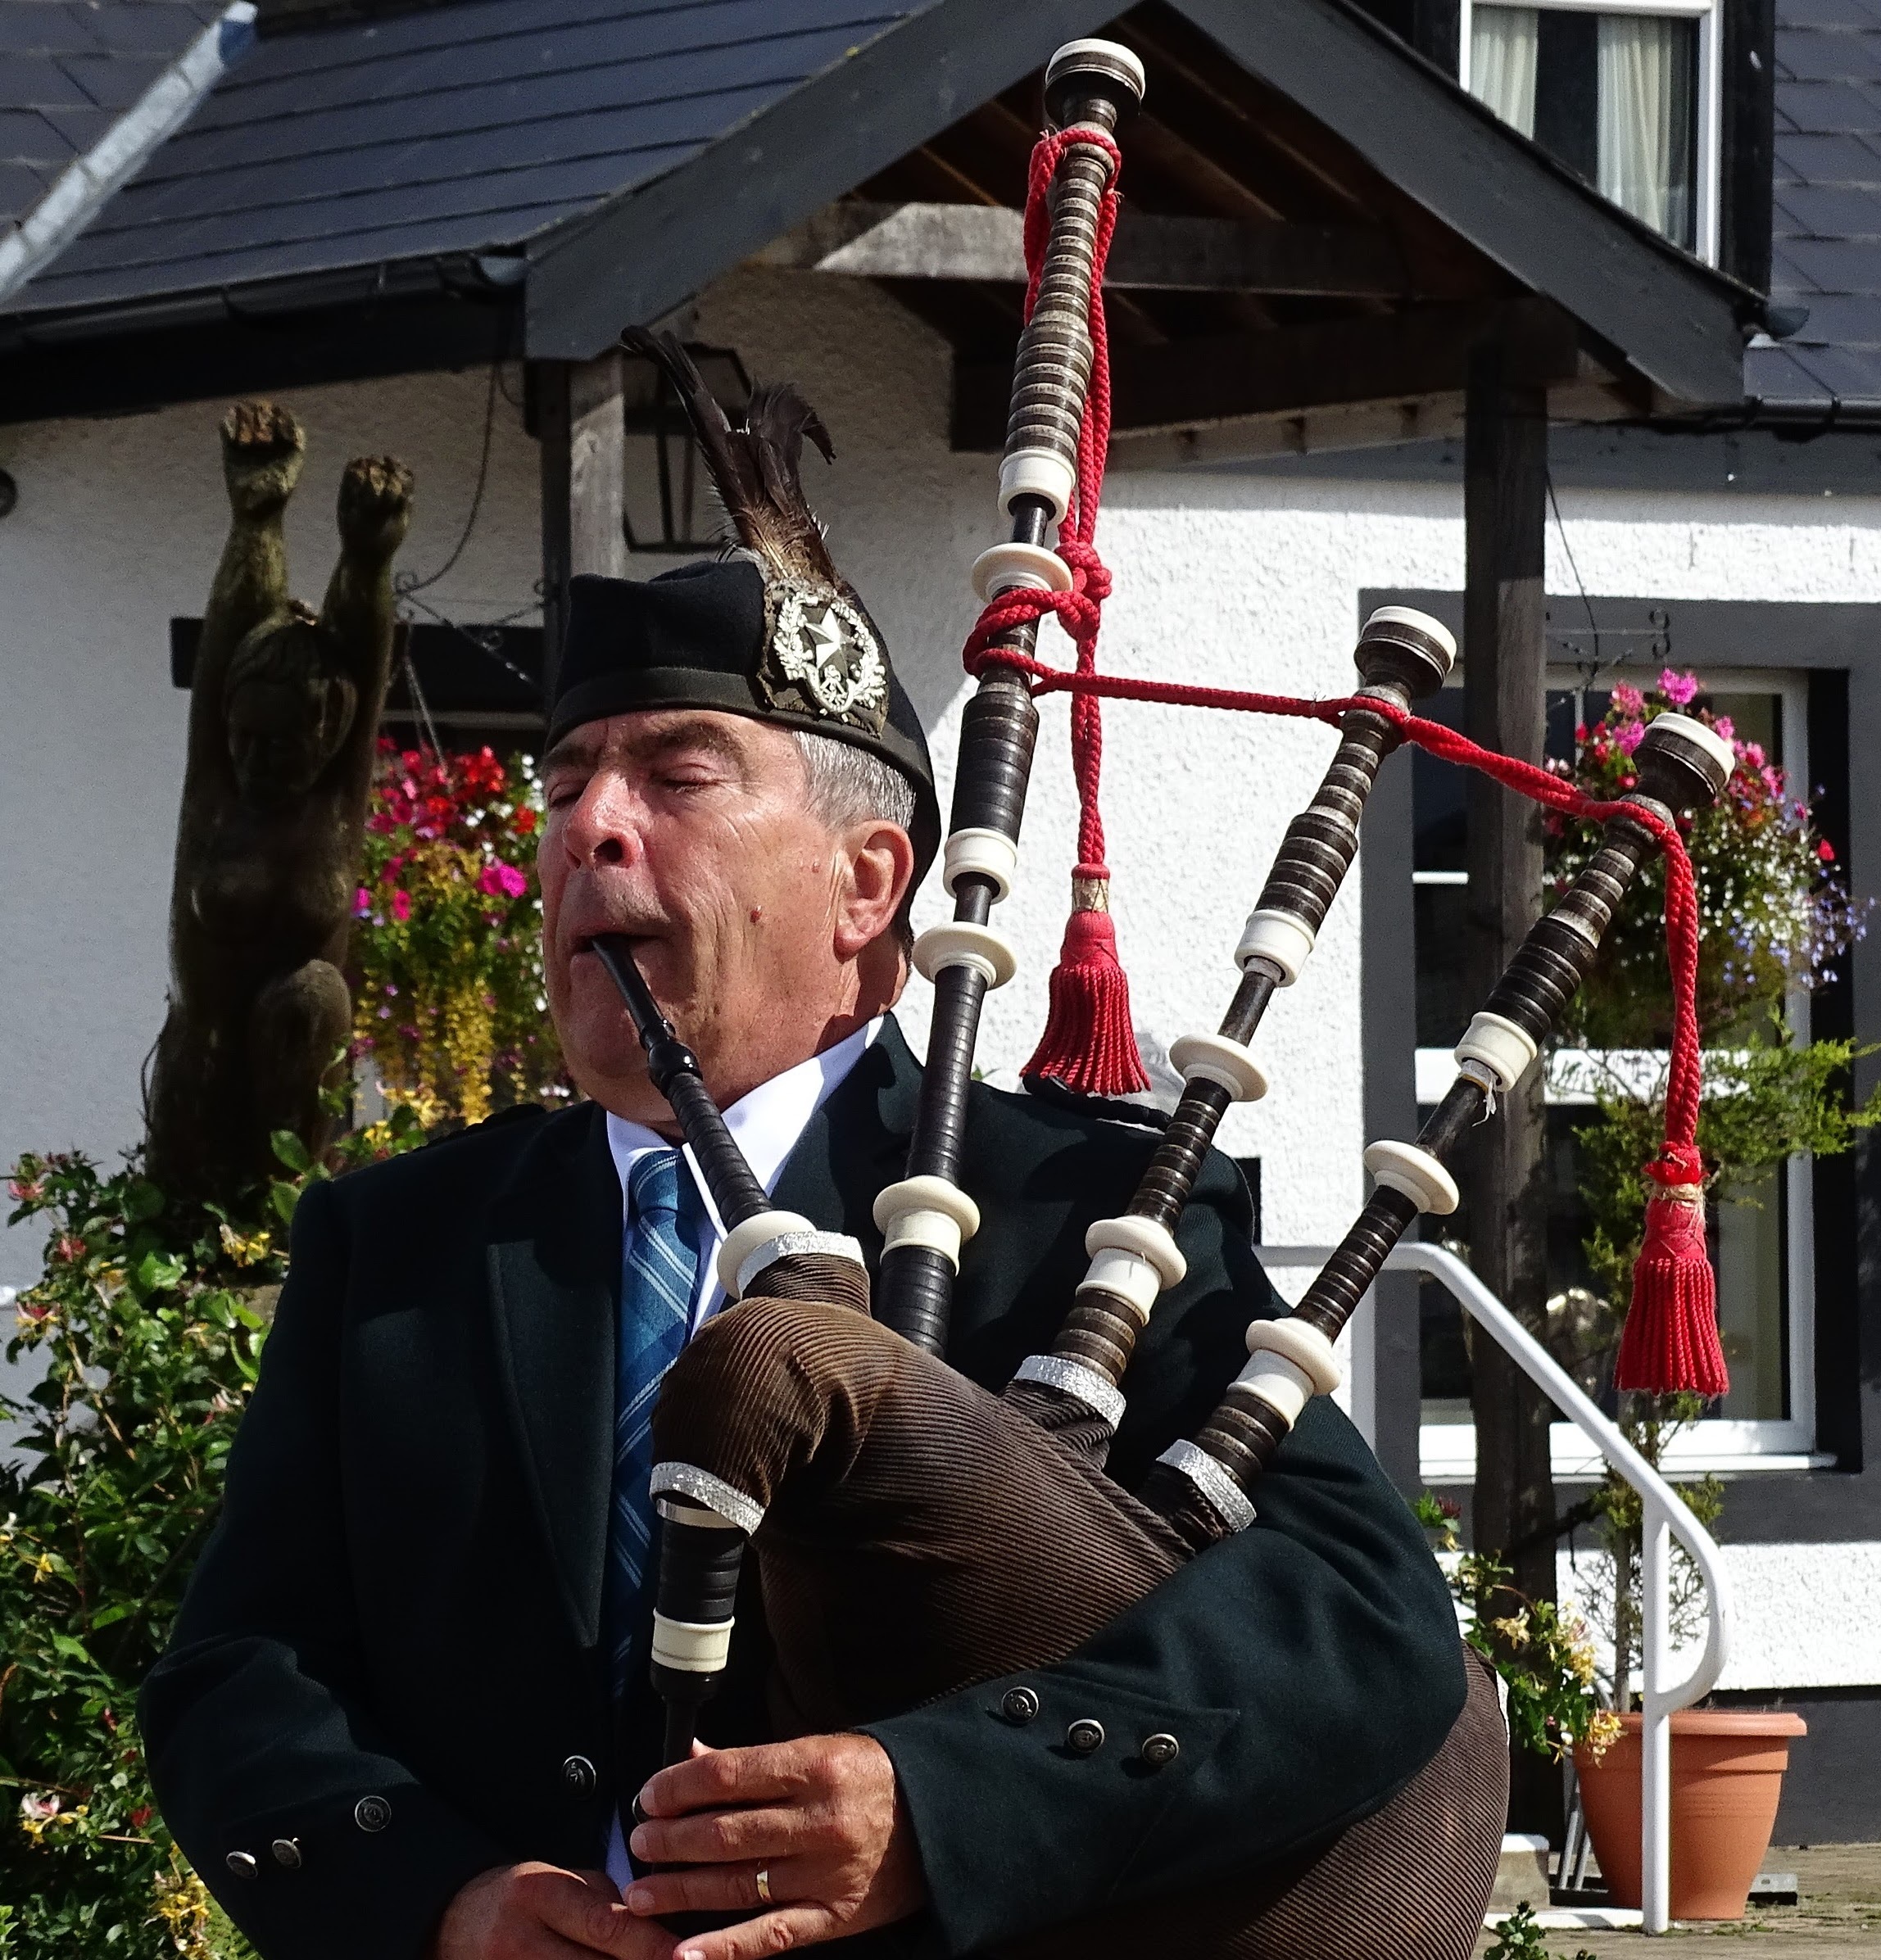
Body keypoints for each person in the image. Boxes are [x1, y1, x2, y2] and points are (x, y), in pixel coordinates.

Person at [140, 379, 1470, 1960]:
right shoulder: (401, 1243)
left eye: (678, 773)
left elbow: (1357, 1621)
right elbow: (243, 1666)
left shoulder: (1083, 1214)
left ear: (864, 884)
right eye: (565, 785)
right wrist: (443, 1900)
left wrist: (946, 1802)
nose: (588, 833)